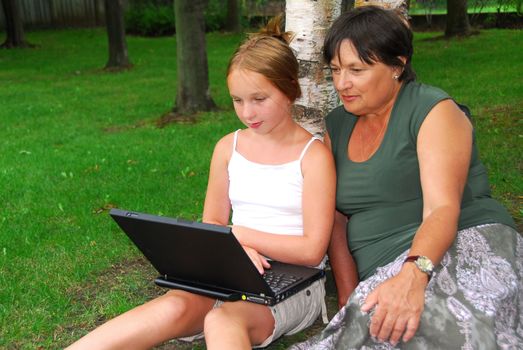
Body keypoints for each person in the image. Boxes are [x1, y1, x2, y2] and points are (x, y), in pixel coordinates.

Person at [66, 16, 336, 350]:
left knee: (222, 319)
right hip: (235, 266)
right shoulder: (228, 148)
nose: (248, 112)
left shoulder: (313, 156)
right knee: (173, 305)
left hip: (296, 283)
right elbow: (212, 223)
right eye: (238, 100)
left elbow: (312, 249)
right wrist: (239, 251)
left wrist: (240, 236)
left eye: (259, 99)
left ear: (290, 87)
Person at [291, 6, 522, 349]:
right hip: (385, 269)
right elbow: (337, 221)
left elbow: (442, 209)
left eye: (357, 70)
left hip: (459, 245)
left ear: (397, 66)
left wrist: (414, 275)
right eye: (336, 70)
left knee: (447, 329)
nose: (342, 83)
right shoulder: (337, 126)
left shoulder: (432, 109)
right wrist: (348, 295)